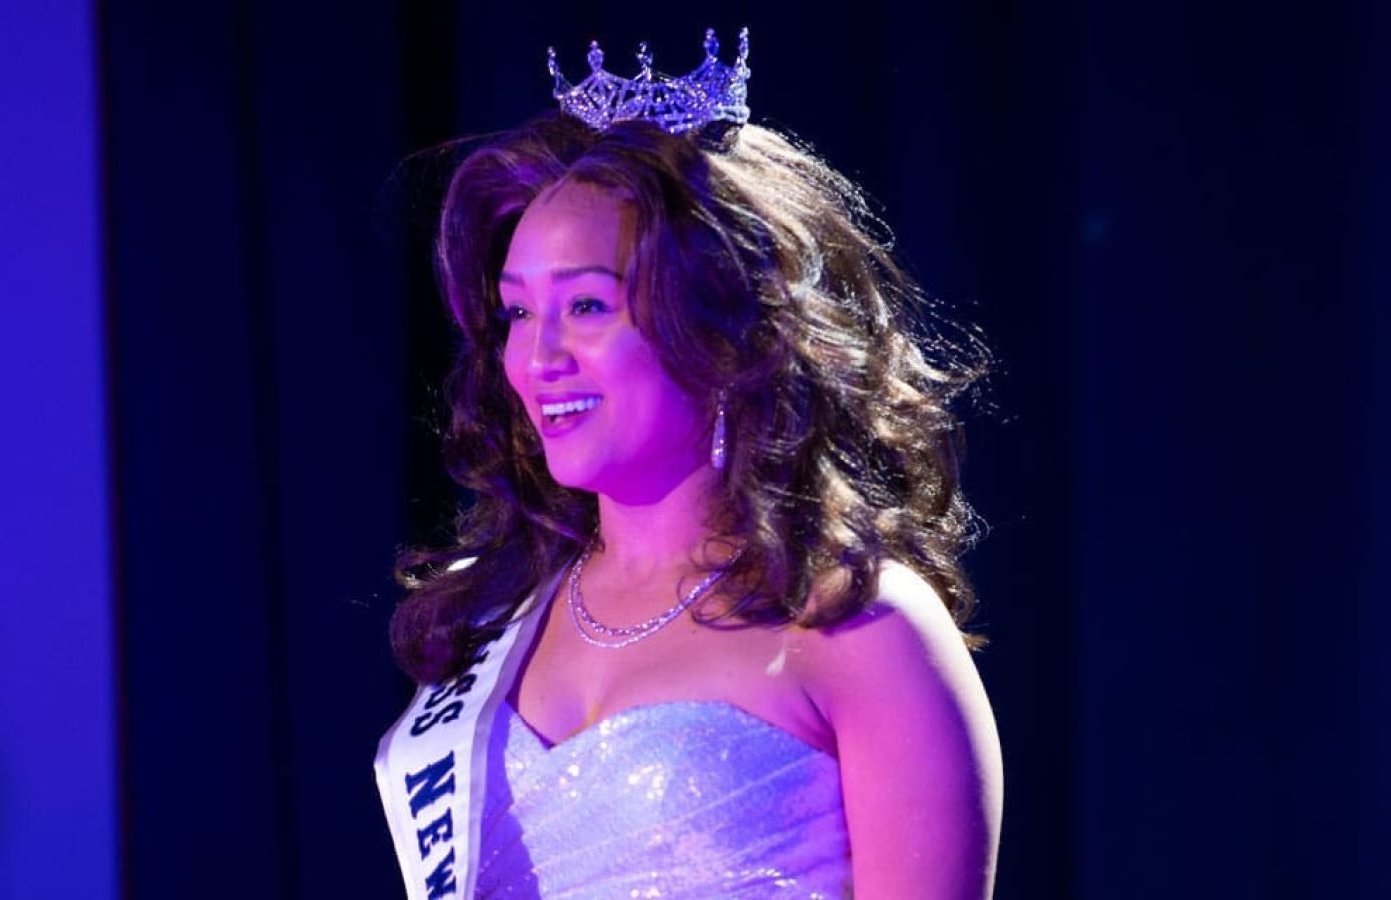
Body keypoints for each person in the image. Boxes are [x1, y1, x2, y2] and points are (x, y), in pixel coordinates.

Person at [375, 28, 1002, 899]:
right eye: (517, 313)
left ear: (720, 325)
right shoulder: (502, 617)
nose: (537, 358)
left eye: (587, 305)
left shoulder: (860, 627)